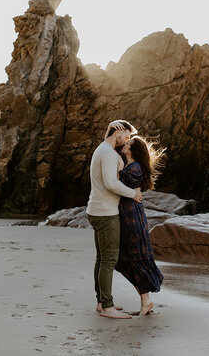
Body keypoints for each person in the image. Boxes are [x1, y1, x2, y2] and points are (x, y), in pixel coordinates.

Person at [86, 120, 144, 319]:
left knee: (101, 259)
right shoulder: (109, 153)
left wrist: (111, 126)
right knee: (108, 260)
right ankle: (107, 307)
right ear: (118, 131)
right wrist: (132, 194)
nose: (127, 140)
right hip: (106, 213)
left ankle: (101, 301)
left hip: (97, 209)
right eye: (126, 135)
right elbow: (111, 183)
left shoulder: (103, 149)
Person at [115, 135, 165, 316]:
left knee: (131, 258)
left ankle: (146, 302)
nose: (124, 144)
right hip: (128, 215)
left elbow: (114, 182)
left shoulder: (134, 168)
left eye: (128, 143)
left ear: (132, 150)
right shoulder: (129, 166)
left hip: (131, 218)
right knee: (125, 259)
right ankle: (146, 302)